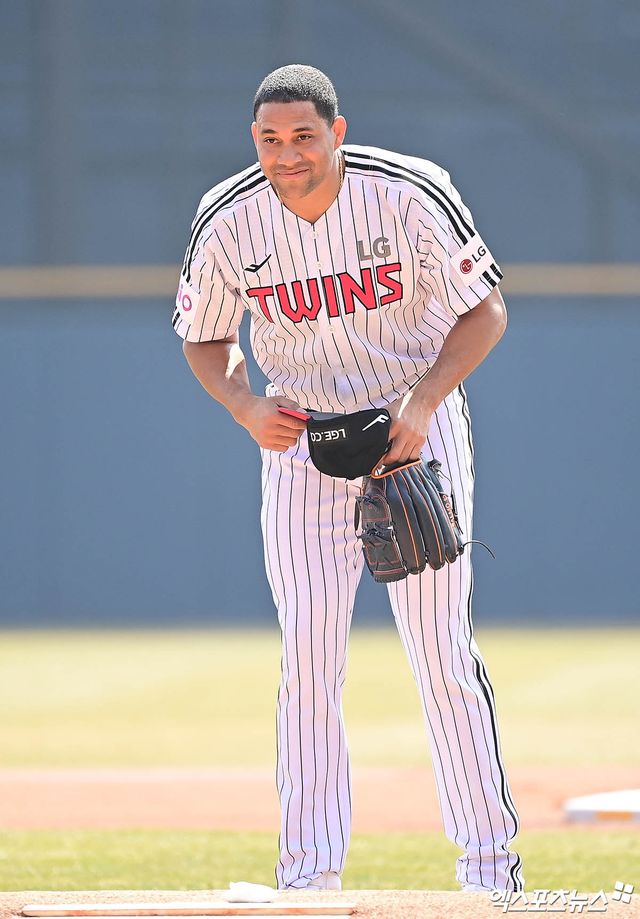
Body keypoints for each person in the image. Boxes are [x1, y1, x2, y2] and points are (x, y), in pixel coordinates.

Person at [172, 64, 523, 893]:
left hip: (414, 435)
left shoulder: (408, 192)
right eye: (269, 139)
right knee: (309, 657)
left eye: (302, 135)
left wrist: (427, 398)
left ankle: (490, 873)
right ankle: (308, 877)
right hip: (299, 444)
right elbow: (204, 334)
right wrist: (239, 404)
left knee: (441, 653)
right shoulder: (228, 219)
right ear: (253, 141)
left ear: (337, 131)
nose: (286, 153)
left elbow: (487, 308)